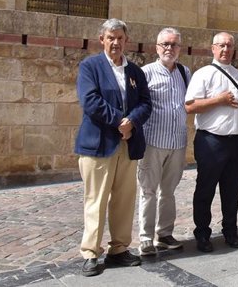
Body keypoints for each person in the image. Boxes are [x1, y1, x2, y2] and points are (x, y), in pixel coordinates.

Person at [75, 18, 152, 277]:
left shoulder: (135, 72)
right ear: (102, 40)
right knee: (96, 200)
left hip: (127, 145)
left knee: (124, 199)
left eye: (120, 38)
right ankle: (90, 253)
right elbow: (90, 101)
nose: (116, 42)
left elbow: (145, 103)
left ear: (126, 40)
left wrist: (132, 121)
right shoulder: (90, 66)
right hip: (99, 144)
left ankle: (119, 249)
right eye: (111, 38)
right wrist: (120, 121)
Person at [185, 32, 238, 253]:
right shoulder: (204, 74)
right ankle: (202, 233)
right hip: (211, 141)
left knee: (232, 190)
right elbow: (190, 106)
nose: (225, 49)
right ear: (213, 48)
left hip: (237, 142)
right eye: (221, 45)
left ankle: (230, 230)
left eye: (229, 46)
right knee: (205, 189)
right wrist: (218, 100)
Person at [137, 27, 190, 256]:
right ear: (157, 47)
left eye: (174, 45)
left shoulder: (185, 73)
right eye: (165, 44)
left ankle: (165, 234)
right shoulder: (145, 72)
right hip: (152, 142)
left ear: (180, 48)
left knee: (168, 191)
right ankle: (146, 238)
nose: (169, 48)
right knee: (148, 190)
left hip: (177, 142)